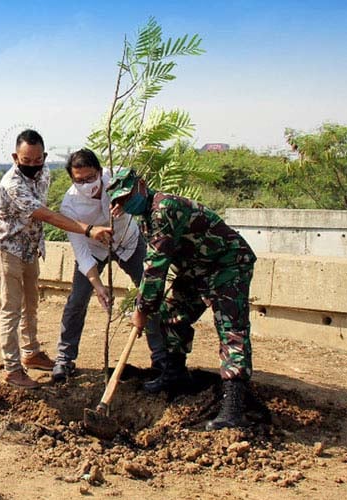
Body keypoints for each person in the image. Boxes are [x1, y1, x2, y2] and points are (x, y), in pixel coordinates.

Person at [107, 167, 257, 430]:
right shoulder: (145, 218)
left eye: (128, 196)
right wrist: (149, 307)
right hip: (195, 268)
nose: (126, 203)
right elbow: (156, 262)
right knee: (171, 313)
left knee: (231, 329)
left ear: (141, 186)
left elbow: (156, 267)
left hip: (227, 264)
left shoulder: (164, 208)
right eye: (120, 201)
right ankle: (175, 375)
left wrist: (141, 309)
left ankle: (234, 406)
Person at [0, 131, 113, 389]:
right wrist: (89, 230)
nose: (32, 166)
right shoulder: (12, 183)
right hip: (8, 248)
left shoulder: (44, 173)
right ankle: (13, 369)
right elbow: (46, 215)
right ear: (15, 157)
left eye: (37, 160)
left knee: (31, 305)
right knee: (11, 309)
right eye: (26, 160)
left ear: (44, 157)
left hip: (30, 248)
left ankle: (31, 351)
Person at [53, 149, 167, 383]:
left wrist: (127, 203)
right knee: (77, 300)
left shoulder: (117, 179)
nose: (87, 184)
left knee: (150, 293)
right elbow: (81, 252)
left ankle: (161, 358)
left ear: (100, 170)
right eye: (80, 180)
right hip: (93, 251)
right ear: (72, 179)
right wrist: (98, 285)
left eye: (91, 177)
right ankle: (64, 359)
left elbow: (142, 194)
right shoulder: (70, 206)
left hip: (129, 243)